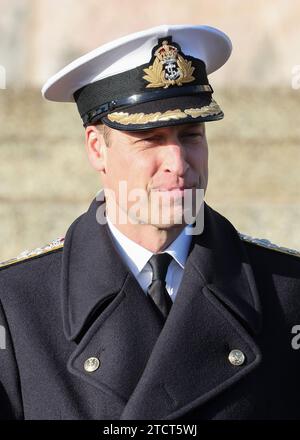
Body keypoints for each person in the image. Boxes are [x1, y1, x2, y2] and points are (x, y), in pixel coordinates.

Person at [0, 24, 300, 421]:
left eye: (191, 134)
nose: (178, 164)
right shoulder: (18, 304)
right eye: (150, 139)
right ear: (96, 148)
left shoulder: (287, 292)